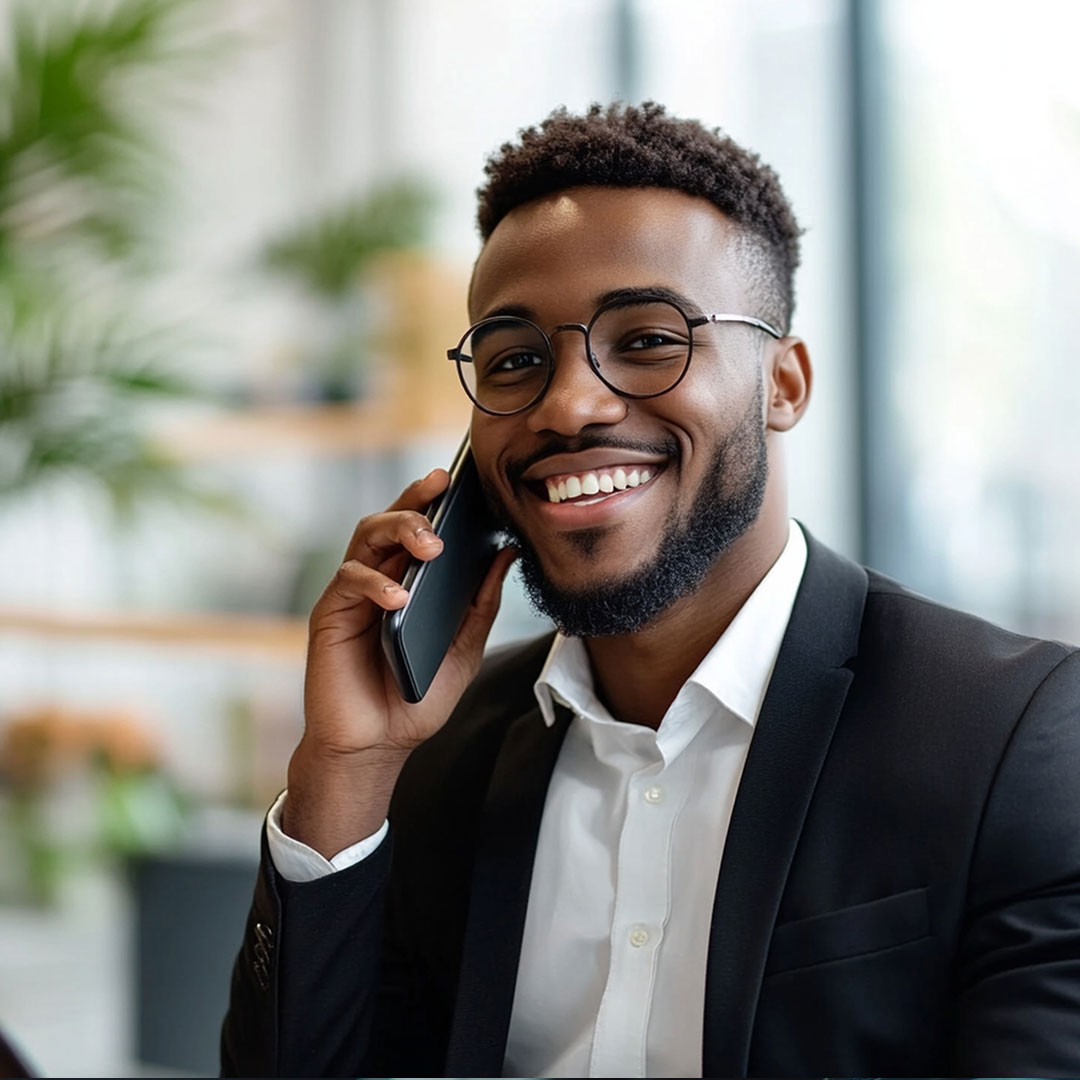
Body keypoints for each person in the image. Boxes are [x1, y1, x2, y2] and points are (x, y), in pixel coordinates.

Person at [220, 102, 1080, 1078]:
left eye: (646, 340)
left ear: (784, 385)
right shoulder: (438, 755)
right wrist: (347, 769)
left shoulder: (1017, 739)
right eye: (513, 361)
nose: (570, 403)